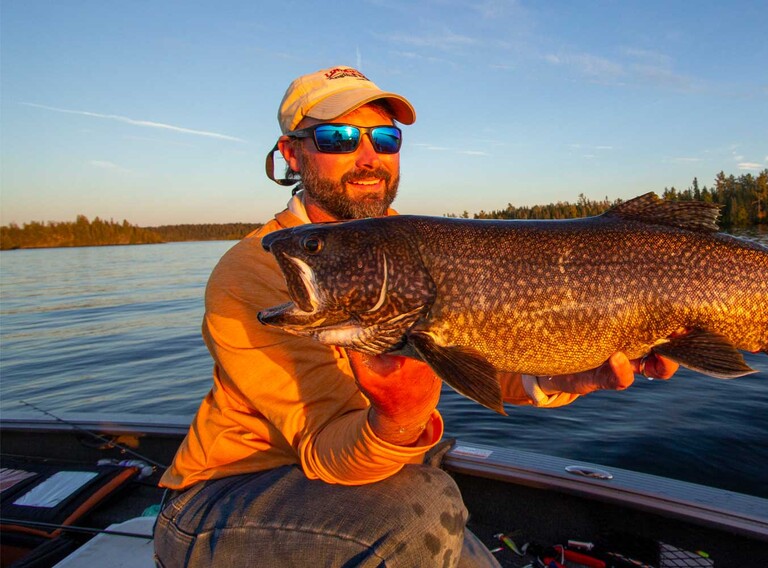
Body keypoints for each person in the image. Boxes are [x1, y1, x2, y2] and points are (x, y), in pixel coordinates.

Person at [152, 66, 678, 567]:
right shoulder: (258, 268)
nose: (367, 157)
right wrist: (402, 417)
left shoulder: (411, 243)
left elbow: (479, 354)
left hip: (386, 486)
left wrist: (570, 372)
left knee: (422, 507)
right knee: (419, 510)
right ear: (290, 153)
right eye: (337, 138)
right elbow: (325, 451)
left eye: (384, 140)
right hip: (228, 499)